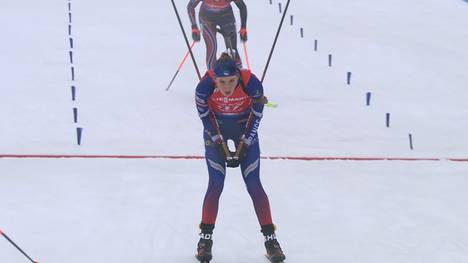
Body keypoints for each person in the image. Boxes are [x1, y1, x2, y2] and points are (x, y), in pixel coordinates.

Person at [194, 53, 286, 263]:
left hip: (245, 128)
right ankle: (205, 241)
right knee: (216, 184)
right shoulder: (204, 87)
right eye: (222, 82)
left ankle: (271, 241)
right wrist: (219, 142)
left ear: (238, 76)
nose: (227, 87)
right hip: (216, 130)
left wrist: (246, 141)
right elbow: (205, 118)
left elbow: (257, 114)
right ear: (214, 78)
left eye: (231, 81)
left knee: (254, 184)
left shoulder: (251, 82)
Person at [187, 0, 248, 70]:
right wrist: (194, 27)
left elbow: (242, 6)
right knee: (211, 48)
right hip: (206, 18)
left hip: (226, 17)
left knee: (232, 49)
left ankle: (238, 74)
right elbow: (190, 7)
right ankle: (211, 75)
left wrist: (243, 27)